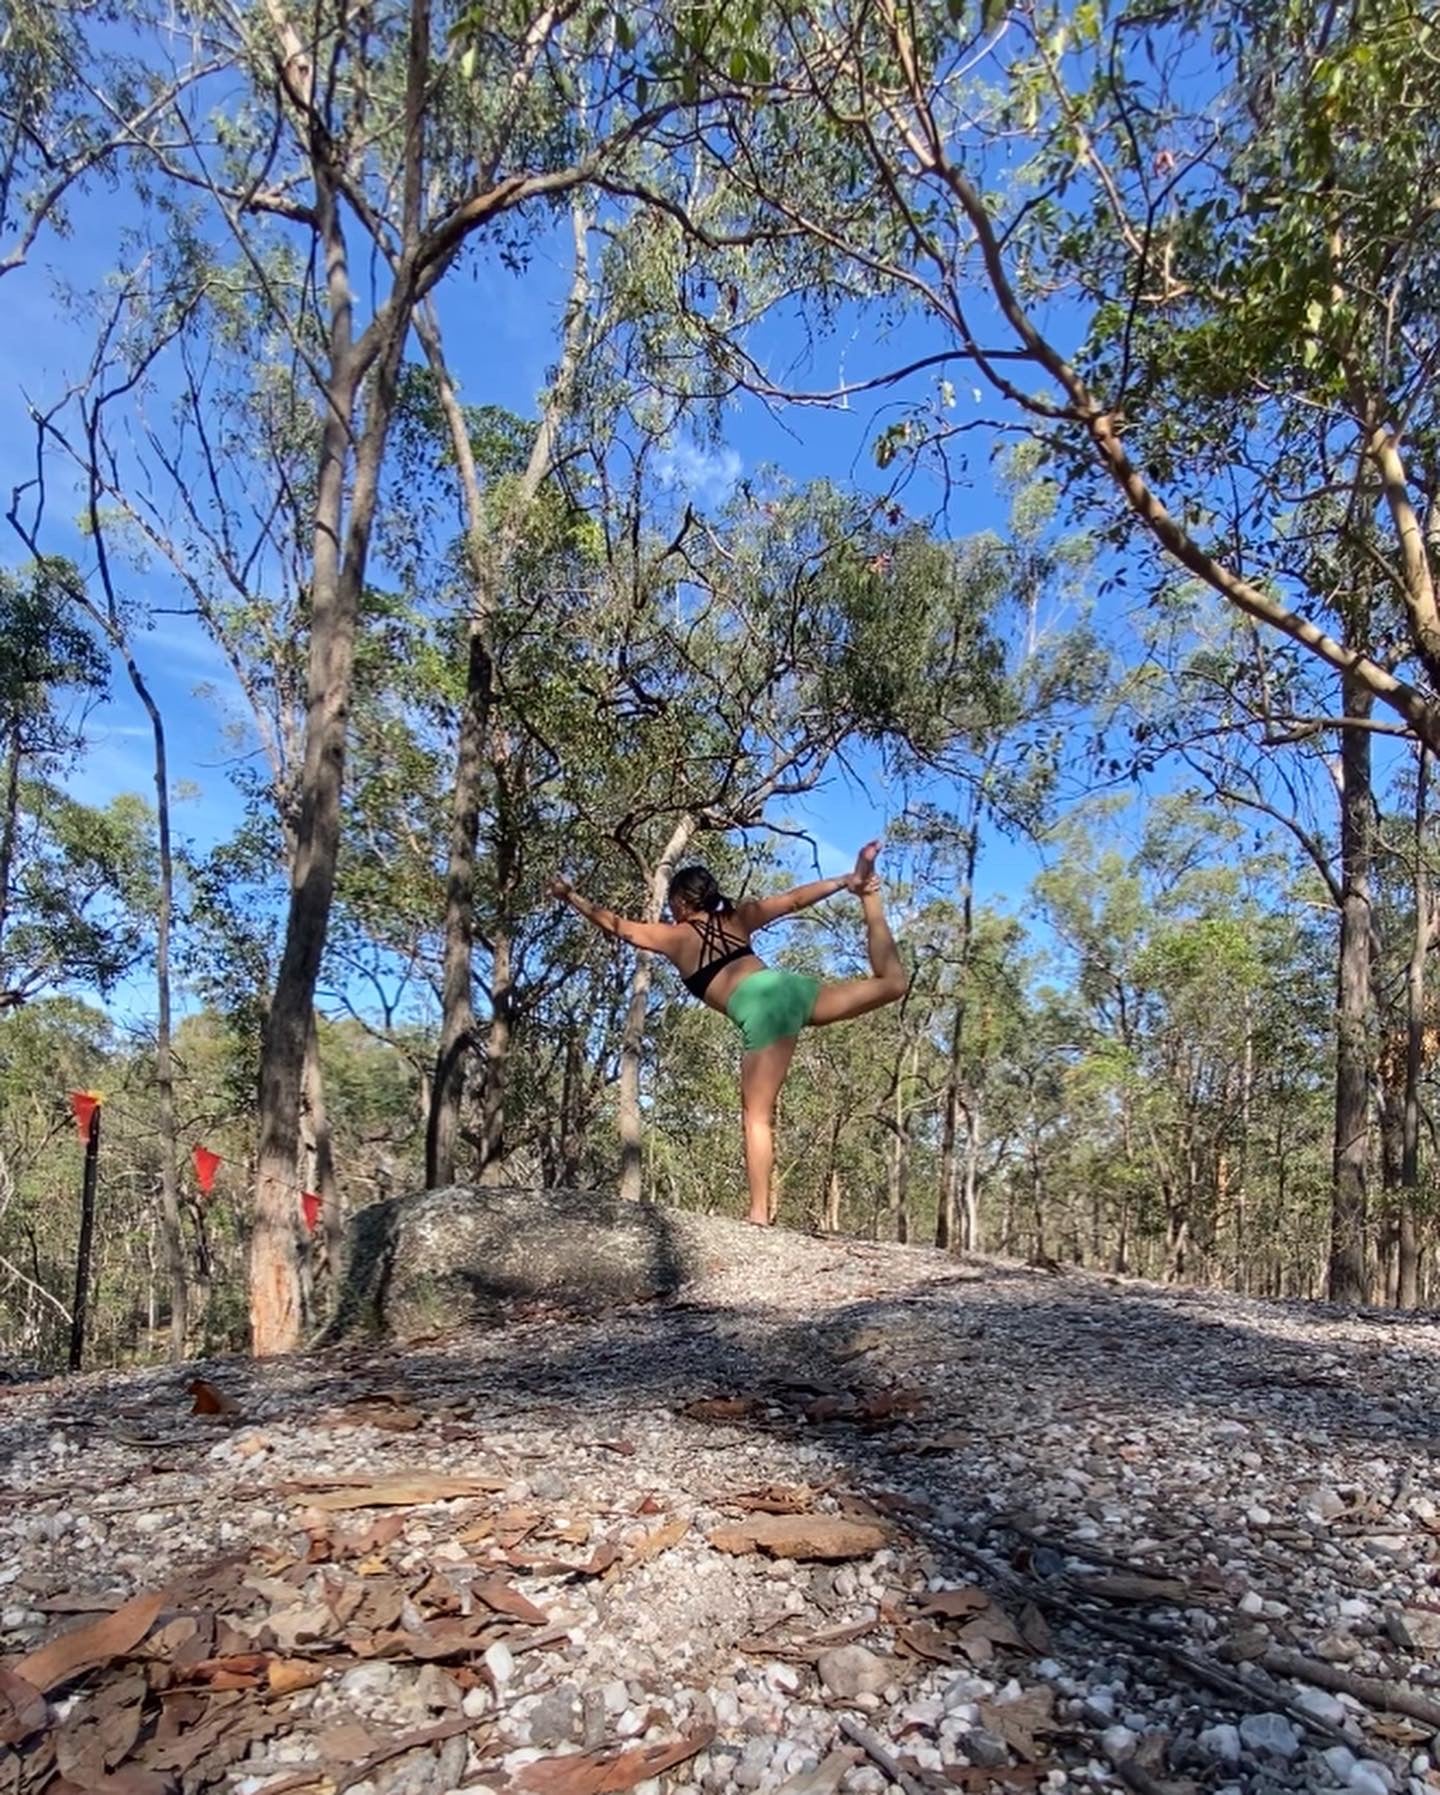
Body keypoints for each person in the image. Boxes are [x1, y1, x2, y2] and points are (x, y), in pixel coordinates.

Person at [549, 841, 907, 1225]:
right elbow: (794, 900)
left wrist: (570, 895)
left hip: (765, 1011)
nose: (671, 911)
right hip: (791, 990)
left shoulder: (676, 936)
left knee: (756, 1114)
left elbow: (619, 927)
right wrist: (846, 881)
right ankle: (869, 892)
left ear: (682, 904)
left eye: (672, 904)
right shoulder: (737, 919)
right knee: (893, 983)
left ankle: (758, 1215)